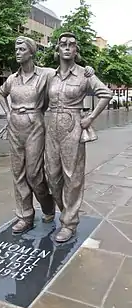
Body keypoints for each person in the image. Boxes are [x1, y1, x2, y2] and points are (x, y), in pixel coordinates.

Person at [0, 36, 94, 235]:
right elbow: (0, 93)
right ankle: (24, 216)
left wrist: (88, 70)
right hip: (15, 126)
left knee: (34, 174)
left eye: (21, 49)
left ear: (31, 52)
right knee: (18, 174)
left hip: (36, 126)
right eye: (16, 49)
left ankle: (48, 206)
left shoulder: (47, 75)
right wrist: (8, 114)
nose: (17, 52)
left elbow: (67, 73)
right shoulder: (12, 79)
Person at [45, 32, 113, 243]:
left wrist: (90, 117)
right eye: (63, 44)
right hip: (51, 128)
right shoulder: (49, 75)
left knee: (72, 178)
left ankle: (69, 223)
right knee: (52, 178)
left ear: (76, 50)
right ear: (57, 49)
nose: (67, 47)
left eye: (71, 45)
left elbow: (106, 94)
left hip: (73, 126)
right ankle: (66, 211)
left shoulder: (85, 74)